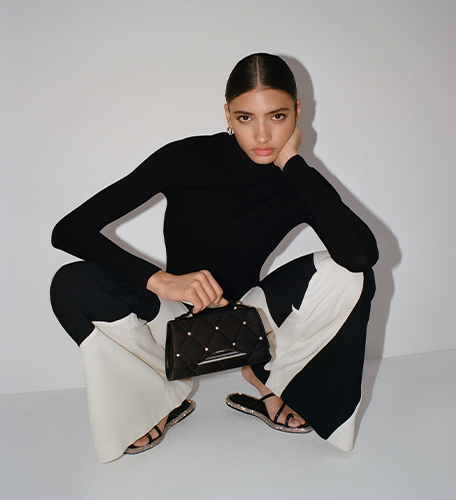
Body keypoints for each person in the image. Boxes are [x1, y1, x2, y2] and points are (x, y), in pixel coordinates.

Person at [51, 53, 378, 463]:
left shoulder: (297, 180)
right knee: (72, 284)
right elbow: (69, 230)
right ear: (227, 115)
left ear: (297, 112)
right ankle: (154, 398)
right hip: (173, 320)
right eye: (245, 118)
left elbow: (361, 255)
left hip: (253, 323)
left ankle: (271, 377)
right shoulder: (185, 159)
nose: (262, 135)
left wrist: (293, 163)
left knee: (350, 275)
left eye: (277, 117)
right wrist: (161, 280)